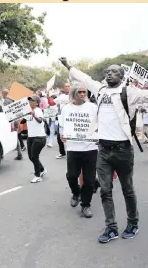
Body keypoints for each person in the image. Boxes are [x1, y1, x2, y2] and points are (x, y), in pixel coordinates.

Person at [59, 57, 148, 244]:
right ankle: (111, 227)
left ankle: (133, 223)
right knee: (106, 191)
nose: (109, 74)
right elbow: (85, 78)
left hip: (123, 150)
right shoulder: (100, 90)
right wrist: (69, 66)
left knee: (127, 190)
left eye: (113, 71)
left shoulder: (129, 92)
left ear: (121, 76)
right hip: (103, 151)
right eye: (107, 71)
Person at [60, 85, 98, 218]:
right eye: (80, 92)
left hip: (90, 148)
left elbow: (99, 124)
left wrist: (98, 136)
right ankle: (76, 192)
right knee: (71, 175)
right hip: (73, 148)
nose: (82, 94)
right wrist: (62, 136)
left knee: (89, 179)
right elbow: (63, 126)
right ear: (74, 93)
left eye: (84, 92)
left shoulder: (93, 107)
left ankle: (86, 205)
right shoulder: (66, 108)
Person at [21, 95, 47, 183]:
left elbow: (40, 121)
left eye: (32, 100)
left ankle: (37, 175)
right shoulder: (28, 111)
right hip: (30, 137)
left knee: (34, 156)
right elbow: (23, 121)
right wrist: (20, 115)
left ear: (36, 103)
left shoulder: (38, 110)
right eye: (29, 100)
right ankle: (42, 169)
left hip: (39, 137)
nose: (30, 102)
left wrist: (34, 115)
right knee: (31, 157)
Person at [2, 89, 24, 160]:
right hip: (16, 120)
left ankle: (19, 154)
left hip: (11, 121)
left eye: (2, 94)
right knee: (15, 136)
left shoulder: (6, 101)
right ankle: (19, 153)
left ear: (4, 93)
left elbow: (5, 112)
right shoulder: (13, 100)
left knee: (14, 137)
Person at [55, 83, 70, 159]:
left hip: (70, 119)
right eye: (66, 86)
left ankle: (70, 153)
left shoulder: (74, 96)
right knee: (59, 137)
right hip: (62, 119)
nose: (67, 87)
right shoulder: (61, 97)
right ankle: (62, 152)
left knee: (69, 136)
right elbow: (53, 103)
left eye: (68, 86)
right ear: (64, 88)